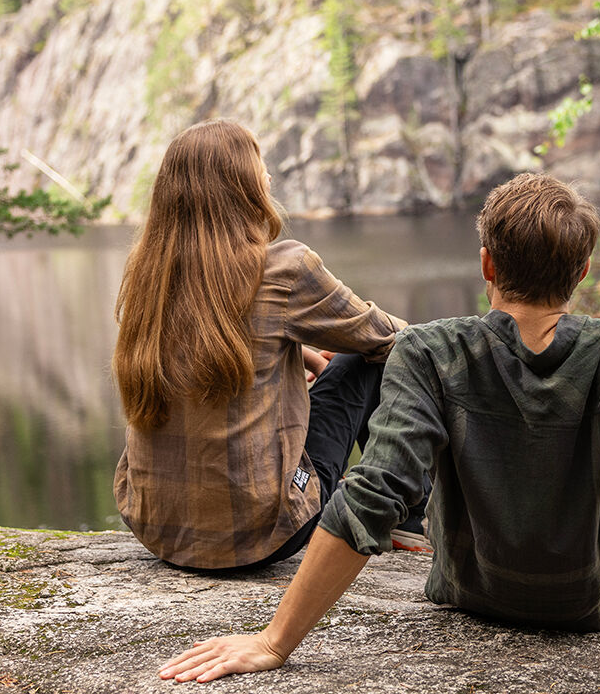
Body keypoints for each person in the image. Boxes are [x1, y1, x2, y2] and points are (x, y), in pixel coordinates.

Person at [158, 173, 600, 691]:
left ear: (487, 264)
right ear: (579, 273)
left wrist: (274, 642)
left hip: (471, 591)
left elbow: (374, 493)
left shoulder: (430, 352)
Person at [112, 119, 408, 571]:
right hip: (263, 532)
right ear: (241, 186)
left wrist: (305, 351)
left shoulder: (147, 275)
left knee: (345, 358)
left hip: (157, 530)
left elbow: (216, 341)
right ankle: (413, 514)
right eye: (260, 165)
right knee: (370, 359)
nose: (269, 177)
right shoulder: (285, 268)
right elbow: (387, 336)